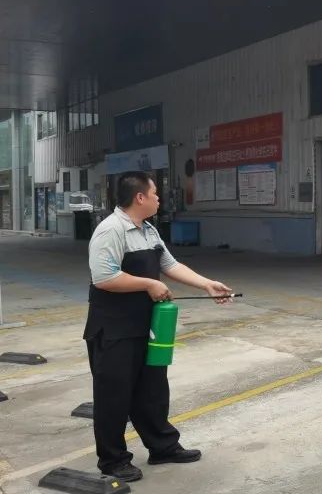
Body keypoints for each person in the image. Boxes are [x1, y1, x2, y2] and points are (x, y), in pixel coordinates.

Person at [85, 171, 232, 482]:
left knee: (152, 389)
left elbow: (170, 264)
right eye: (155, 194)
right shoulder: (111, 230)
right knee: (114, 395)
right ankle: (113, 460)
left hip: (147, 324)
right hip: (114, 328)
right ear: (140, 197)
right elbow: (105, 277)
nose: (158, 199)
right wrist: (150, 284)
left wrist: (207, 284)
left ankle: (162, 446)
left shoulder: (148, 229)